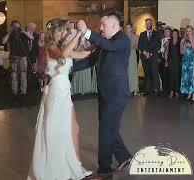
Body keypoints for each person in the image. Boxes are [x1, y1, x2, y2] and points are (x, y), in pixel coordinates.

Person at [27, 18, 92, 180]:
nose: (67, 32)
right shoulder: (51, 47)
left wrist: (98, 41)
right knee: (55, 130)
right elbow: (63, 55)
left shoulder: (63, 46)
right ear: (56, 31)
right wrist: (77, 35)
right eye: (65, 30)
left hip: (64, 91)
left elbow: (83, 54)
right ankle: (55, 167)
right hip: (56, 92)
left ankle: (76, 166)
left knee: (74, 129)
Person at [77, 11, 132, 180]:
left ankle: (104, 171)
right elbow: (90, 60)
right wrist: (66, 67)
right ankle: (125, 157)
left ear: (115, 26)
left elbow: (108, 46)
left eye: (103, 25)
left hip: (116, 94)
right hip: (105, 92)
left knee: (105, 131)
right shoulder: (105, 42)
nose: (101, 28)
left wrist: (87, 32)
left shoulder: (122, 40)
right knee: (110, 128)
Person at [2, 20, 34, 100]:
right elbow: (3, 41)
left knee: (23, 75)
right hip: (14, 57)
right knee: (14, 76)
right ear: (12, 27)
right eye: (15, 26)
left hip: (23, 57)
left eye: (18, 26)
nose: (16, 27)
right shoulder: (11, 34)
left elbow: (31, 38)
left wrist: (23, 30)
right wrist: (10, 32)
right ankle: (15, 92)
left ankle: (23, 91)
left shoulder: (23, 34)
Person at [138, 18, 161, 95]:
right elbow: (140, 45)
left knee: (154, 73)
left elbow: (158, 45)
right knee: (147, 73)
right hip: (145, 57)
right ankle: (147, 90)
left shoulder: (156, 33)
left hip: (153, 56)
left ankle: (156, 89)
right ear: (145, 25)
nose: (148, 24)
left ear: (152, 24)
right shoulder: (142, 34)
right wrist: (145, 53)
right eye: (146, 23)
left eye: (149, 23)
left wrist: (150, 53)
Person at [180, 25, 194, 102]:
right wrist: (185, 45)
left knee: (193, 77)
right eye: (187, 31)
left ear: (192, 31)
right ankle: (189, 94)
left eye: (190, 31)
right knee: (186, 77)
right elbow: (181, 52)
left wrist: (191, 42)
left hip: (193, 61)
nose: (188, 33)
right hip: (185, 61)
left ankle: (193, 96)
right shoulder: (183, 40)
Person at [165, 29, 181, 98]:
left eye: (176, 33)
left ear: (177, 34)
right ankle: (171, 91)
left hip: (178, 61)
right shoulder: (169, 41)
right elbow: (166, 52)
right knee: (171, 76)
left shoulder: (180, 41)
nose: (174, 34)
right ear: (172, 34)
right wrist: (166, 61)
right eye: (173, 33)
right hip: (170, 61)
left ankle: (177, 91)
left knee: (177, 76)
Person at [125, 24, 139, 95]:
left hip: (132, 55)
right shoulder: (123, 37)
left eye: (129, 27)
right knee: (126, 72)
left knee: (133, 71)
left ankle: (135, 88)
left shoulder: (136, 36)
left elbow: (138, 48)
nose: (128, 29)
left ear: (131, 29)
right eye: (127, 28)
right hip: (124, 56)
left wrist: (135, 46)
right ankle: (127, 88)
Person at [159, 27, 172, 94]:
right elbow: (161, 50)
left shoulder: (172, 40)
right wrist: (163, 46)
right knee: (163, 74)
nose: (166, 33)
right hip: (163, 58)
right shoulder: (162, 40)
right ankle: (164, 89)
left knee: (169, 74)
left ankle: (169, 89)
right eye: (165, 31)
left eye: (168, 31)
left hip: (169, 59)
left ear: (170, 32)